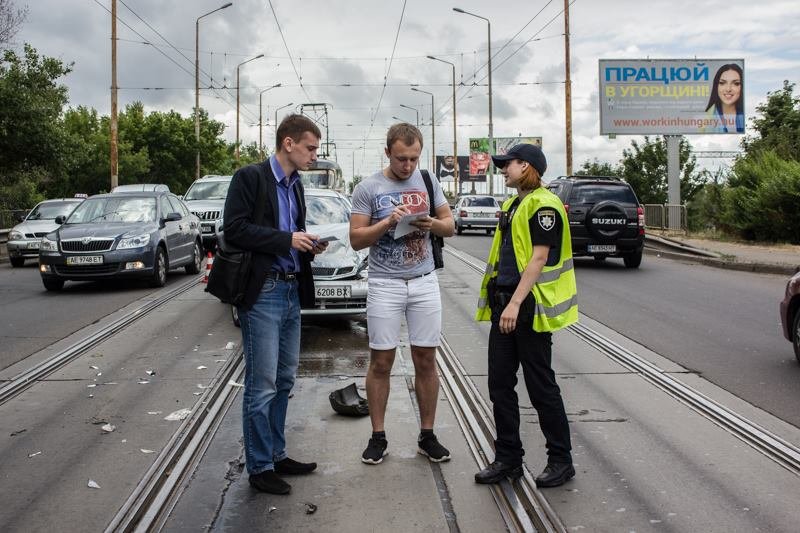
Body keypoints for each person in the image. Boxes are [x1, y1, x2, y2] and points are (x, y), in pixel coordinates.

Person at [222, 114, 329, 495]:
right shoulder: (250, 177)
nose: (315, 155)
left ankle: (277, 453)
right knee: (262, 384)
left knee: (284, 380)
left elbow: (289, 235)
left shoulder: (297, 185)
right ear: (289, 143)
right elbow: (233, 230)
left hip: (289, 288)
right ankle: (260, 466)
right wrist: (287, 240)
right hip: (263, 291)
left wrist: (307, 244)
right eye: (310, 148)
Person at [349, 122, 455, 465]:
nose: (407, 166)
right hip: (385, 284)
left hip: (424, 281)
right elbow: (356, 239)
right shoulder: (369, 187)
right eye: (400, 159)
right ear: (387, 153)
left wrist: (431, 225)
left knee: (426, 359)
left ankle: (427, 435)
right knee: (382, 362)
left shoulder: (428, 181)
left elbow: (450, 225)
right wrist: (386, 223)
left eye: (413, 158)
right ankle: (378, 436)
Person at [473, 143, 579, 488]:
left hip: (528, 306)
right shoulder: (514, 203)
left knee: (540, 385)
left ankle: (561, 460)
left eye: (509, 164)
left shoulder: (544, 205)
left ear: (527, 166)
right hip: (505, 303)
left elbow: (538, 259)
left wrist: (516, 304)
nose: (503, 170)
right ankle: (508, 459)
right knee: (500, 384)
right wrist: (503, 303)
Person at [704, 63, 744, 133]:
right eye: (722, 83)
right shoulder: (706, 119)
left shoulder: (745, 117)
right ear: (716, 86)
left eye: (736, 83)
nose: (728, 89)